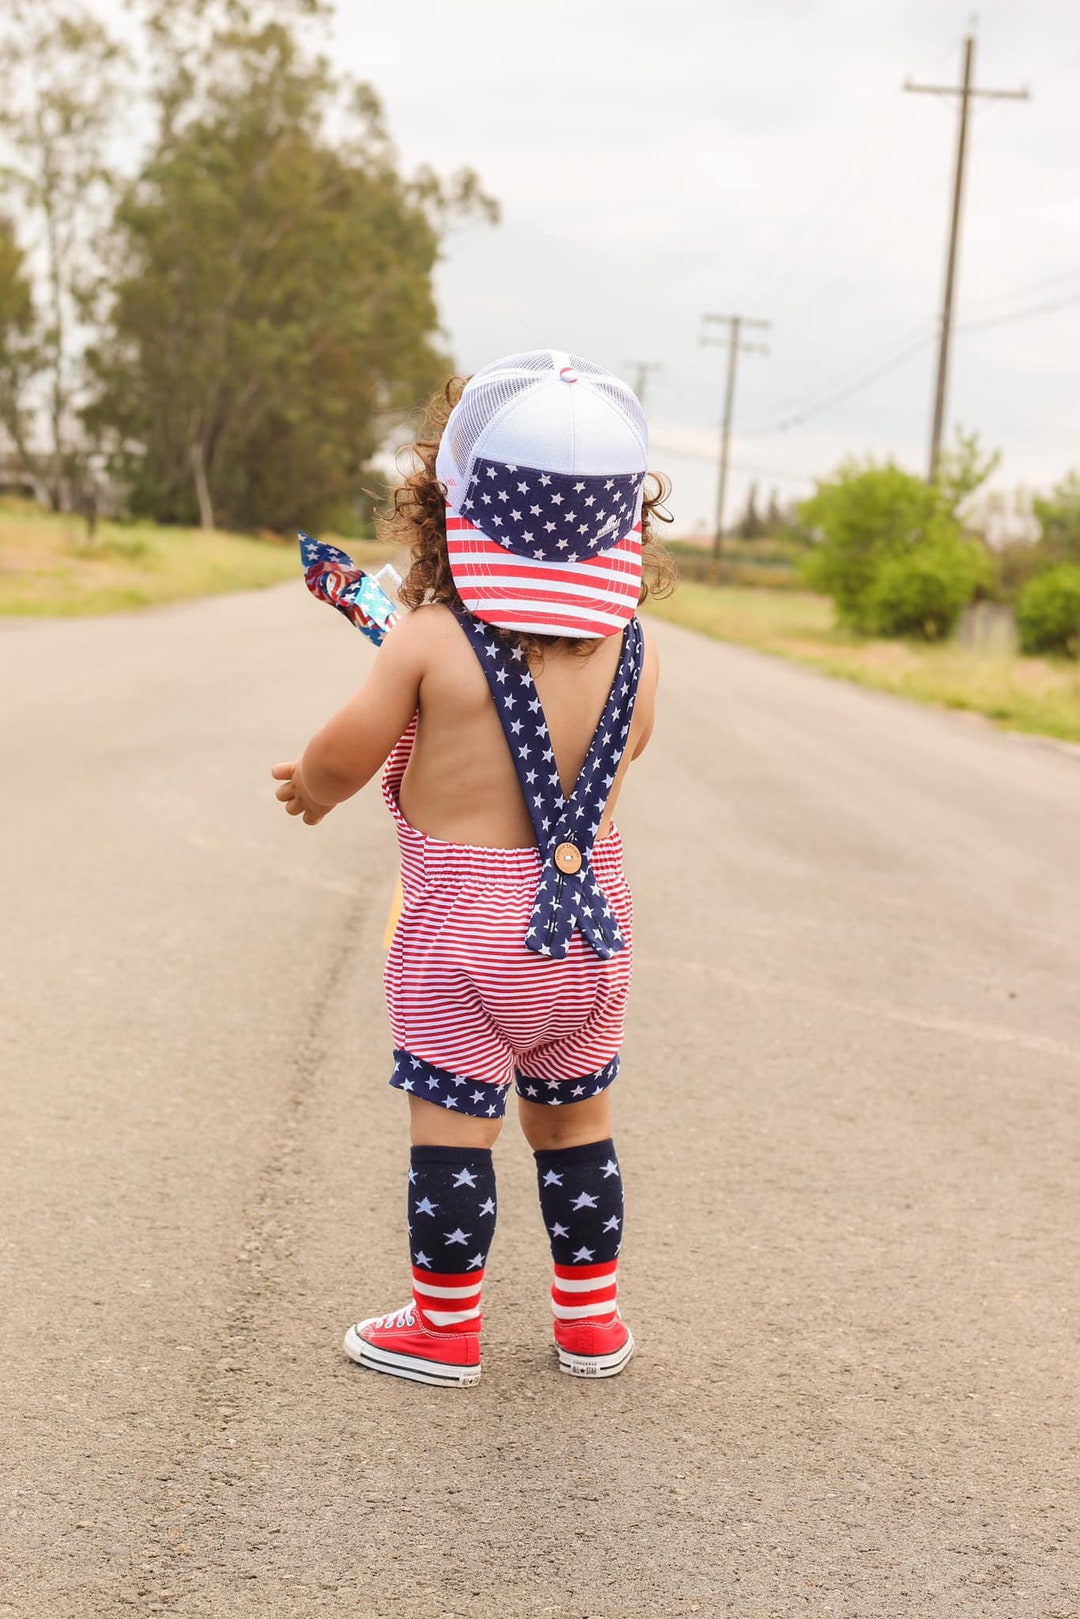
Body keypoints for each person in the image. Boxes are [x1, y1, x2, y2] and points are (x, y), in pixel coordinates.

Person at [271, 349, 673, 1387]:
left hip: (463, 939)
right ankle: (591, 1324)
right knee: (575, 1122)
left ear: (447, 507)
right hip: (589, 937)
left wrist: (311, 787)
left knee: (454, 1128)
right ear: (623, 524)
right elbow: (627, 752)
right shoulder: (634, 645)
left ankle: (444, 1328)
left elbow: (345, 754)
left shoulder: (426, 638)